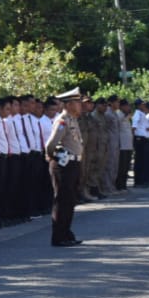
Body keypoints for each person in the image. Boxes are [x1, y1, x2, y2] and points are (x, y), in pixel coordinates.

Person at [45, 88, 85, 247]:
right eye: (77, 102)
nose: (80, 105)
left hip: (73, 163)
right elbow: (50, 145)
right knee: (62, 200)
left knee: (70, 200)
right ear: (68, 104)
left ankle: (67, 233)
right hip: (64, 164)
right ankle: (58, 236)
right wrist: (54, 157)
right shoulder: (62, 120)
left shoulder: (73, 119)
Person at [114, 98, 133, 192]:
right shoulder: (118, 114)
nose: (129, 107)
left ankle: (124, 184)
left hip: (128, 144)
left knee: (126, 166)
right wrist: (126, 116)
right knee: (121, 166)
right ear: (122, 106)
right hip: (122, 145)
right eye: (127, 106)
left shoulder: (127, 116)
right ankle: (119, 185)